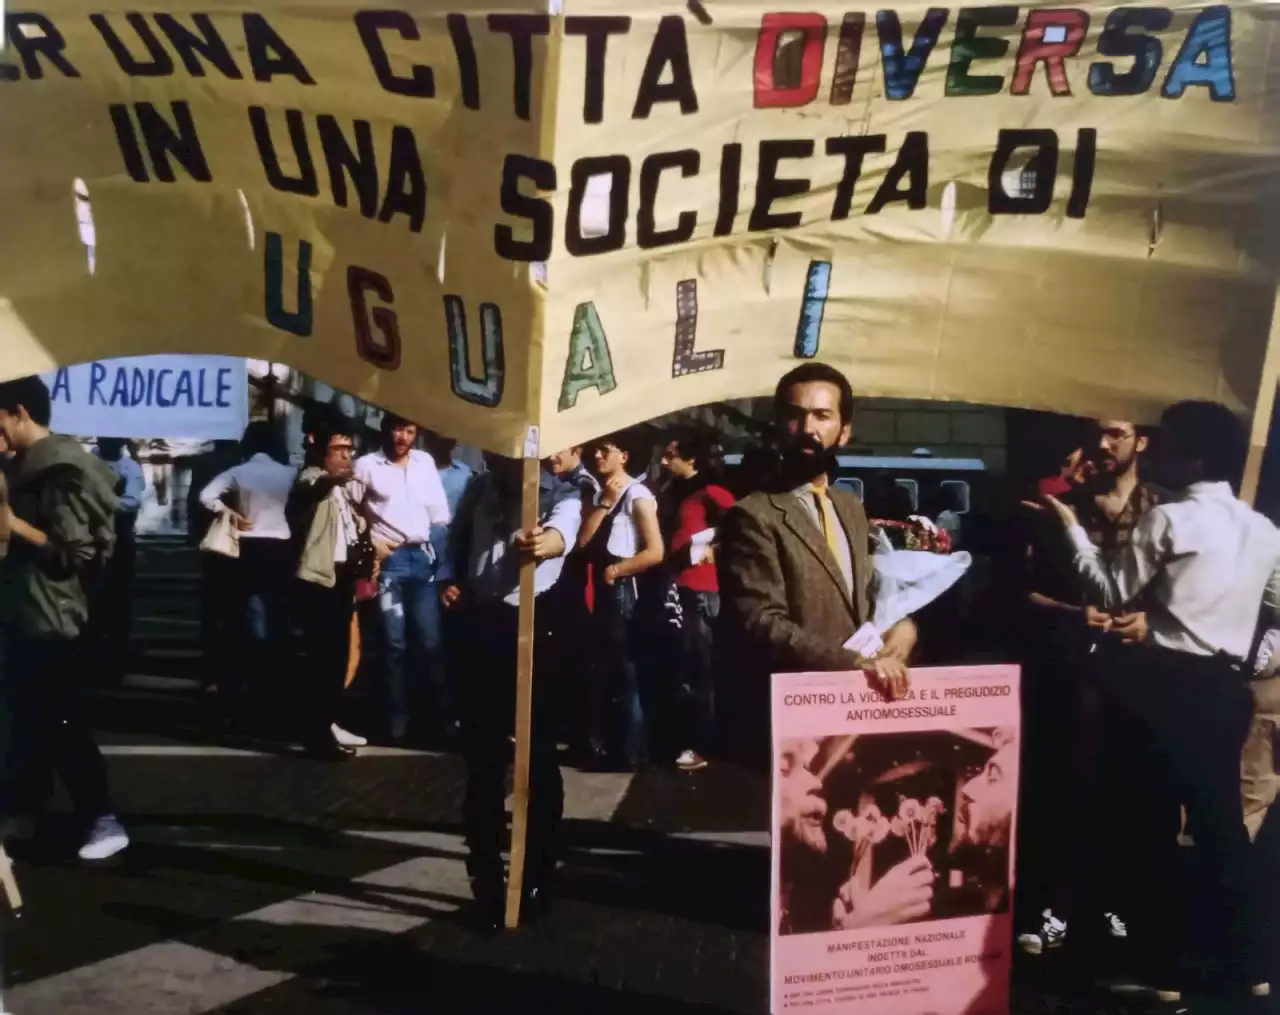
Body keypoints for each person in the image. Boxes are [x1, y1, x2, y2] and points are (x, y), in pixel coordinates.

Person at [1046, 400, 1278, 1005]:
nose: (1158, 451)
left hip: (1161, 684)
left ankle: (1158, 967)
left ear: (1194, 455)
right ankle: (1245, 961)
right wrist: (1250, 656)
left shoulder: (1170, 520)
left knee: (1141, 826)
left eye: (1167, 442)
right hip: (1225, 692)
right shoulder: (1263, 530)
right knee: (1220, 827)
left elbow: (1108, 588)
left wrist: (1069, 528)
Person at [717, 364, 916, 766]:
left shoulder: (850, 507)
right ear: (778, 425)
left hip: (862, 705)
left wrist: (903, 625)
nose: (808, 427)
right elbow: (762, 621)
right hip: (799, 708)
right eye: (795, 415)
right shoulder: (753, 514)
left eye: (822, 416)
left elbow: (867, 594)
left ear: (843, 431)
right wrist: (854, 661)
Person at [1016, 419, 1156, 957]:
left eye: (1117, 434)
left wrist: (1151, 623)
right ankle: (1052, 907)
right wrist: (1074, 614)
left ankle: (1113, 906)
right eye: (1098, 433)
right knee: (1064, 791)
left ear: (1141, 442)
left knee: (1132, 798)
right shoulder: (1062, 508)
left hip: (1145, 674)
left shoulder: (1163, 509)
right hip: (1074, 673)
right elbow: (1020, 591)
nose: (1103, 445)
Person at [442, 454, 583, 930]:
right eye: (493, 453)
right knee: (483, 763)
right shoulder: (479, 488)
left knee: (538, 759)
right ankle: (485, 877)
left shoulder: (560, 493)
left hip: (534, 627)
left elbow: (562, 534)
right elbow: (454, 539)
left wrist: (543, 542)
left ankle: (538, 875)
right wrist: (448, 578)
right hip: (484, 626)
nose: (499, 461)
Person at [0, 376, 127, 861]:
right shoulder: (27, 465)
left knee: (59, 719)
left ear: (18, 412)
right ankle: (26, 817)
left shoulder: (62, 469)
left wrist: (13, 526)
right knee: (28, 719)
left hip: (53, 614)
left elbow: (75, 553)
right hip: (25, 609)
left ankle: (102, 818)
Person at [351, 414, 453, 742]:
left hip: (422, 557)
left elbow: (439, 514)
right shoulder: (367, 465)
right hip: (389, 558)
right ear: (386, 430)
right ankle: (398, 718)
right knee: (393, 644)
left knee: (430, 641)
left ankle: (439, 719)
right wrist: (372, 544)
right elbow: (350, 510)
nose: (403, 437)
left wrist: (442, 562)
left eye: (410, 430)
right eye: (398, 429)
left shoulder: (424, 462)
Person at [577, 431, 665, 770]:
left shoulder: (638, 495)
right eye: (596, 449)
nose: (598, 456)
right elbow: (583, 541)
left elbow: (655, 550)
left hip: (622, 591)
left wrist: (616, 570)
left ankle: (631, 748)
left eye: (606, 450)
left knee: (626, 669)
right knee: (607, 668)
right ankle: (614, 744)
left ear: (624, 456)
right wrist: (603, 505)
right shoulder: (602, 492)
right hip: (600, 590)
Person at [199, 421, 296, 727]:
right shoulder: (288, 472)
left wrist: (228, 513)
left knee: (241, 617)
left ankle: (240, 686)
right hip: (281, 548)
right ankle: (275, 687)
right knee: (278, 616)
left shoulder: (239, 472)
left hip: (247, 547)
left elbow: (206, 496)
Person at [288, 411, 365, 759]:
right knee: (322, 660)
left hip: (342, 580)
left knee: (336, 660)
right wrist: (334, 481)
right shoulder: (311, 478)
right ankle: (315, 733)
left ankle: (325, 726)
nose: (347, 456)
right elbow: (312, 488)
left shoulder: (344, 492)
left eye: (350, 450)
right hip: (318, 580)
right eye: (339, 449)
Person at [660, 429, 735, 772]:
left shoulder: (711, 493)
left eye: (670, 455)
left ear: (690, 459)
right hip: (680, 587)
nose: (664, 461)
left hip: (701, 590)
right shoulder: (677, 492)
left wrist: (711, 550)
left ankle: (703, 744)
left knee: (700, 668)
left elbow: (741, 528)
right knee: (685, 665)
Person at [545, 446, 603, 763]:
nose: (551, 457)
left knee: (577, 659)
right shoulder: (556, 478)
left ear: (576, 451)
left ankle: (583, 735)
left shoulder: (584, 485)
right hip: (556, 582)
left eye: (558, 452)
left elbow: (581, 537)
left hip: (574, 582)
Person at [89, 437, 145, 685]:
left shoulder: (129, 467)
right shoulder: (87, 461)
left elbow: (132, 501)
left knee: (119, 599)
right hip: (89, 537)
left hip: (119, 540)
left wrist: (99, 502)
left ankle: (114, 662)